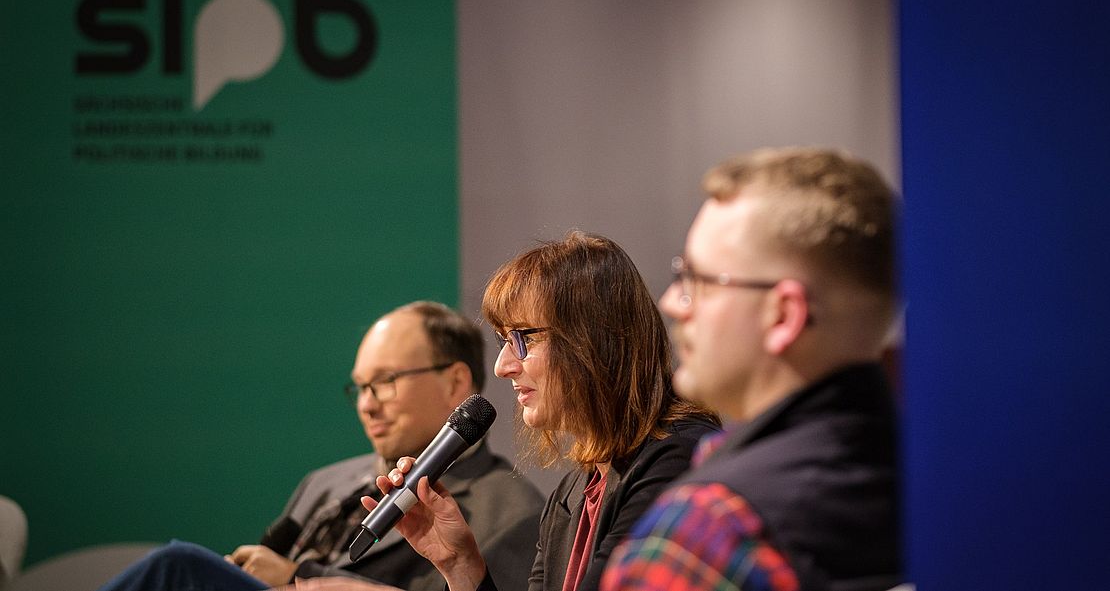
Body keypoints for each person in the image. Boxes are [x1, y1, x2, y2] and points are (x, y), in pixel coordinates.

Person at [344, 232, 720, 591]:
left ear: (592, 339)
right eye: (504, 341)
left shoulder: (677, 459)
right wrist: (460, 565)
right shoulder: (571, 493)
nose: (502, 367)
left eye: (524, 338)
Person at [600, 147, 903, 591]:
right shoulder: (951, 492)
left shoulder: (707, 536)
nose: (672, 303)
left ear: (783, 316)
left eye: (698, 280)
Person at [97, 301, 544, 591]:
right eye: (360, 388)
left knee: (178, 569)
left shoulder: (510, 510)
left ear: (455, 382)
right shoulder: (326, 482)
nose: (367, 405)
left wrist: (299, 575)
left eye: (385, 382)